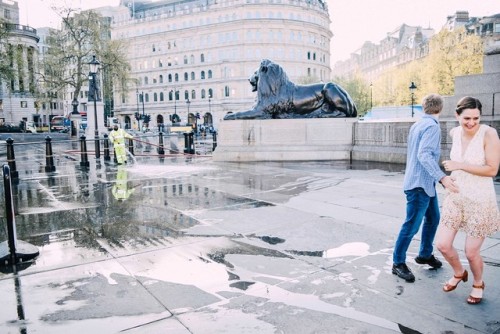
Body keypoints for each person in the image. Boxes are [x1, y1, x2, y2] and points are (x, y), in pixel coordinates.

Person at [436, 96, 500, 305]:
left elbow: (492, 169)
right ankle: (458, 272)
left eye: (476, 118)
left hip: (480, 200)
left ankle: (478, 283)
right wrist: (446, 181)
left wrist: (460, 165)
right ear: (457, 115)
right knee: (443, 246)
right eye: (467, 119)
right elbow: (451, 166)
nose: (471, 123)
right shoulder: (454, 133)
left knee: (471, 252)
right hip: (455, 197)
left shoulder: (489, 134)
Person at [392, 93, 459, 283]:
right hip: (419, 185)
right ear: (441, 108)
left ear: (424, 107)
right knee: (412, 224)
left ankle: (425, 254)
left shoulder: (418, 124)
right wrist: (442, 178)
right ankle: (397, 263)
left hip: (423, 184)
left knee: (433, 218)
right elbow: (424, 155)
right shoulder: (432, 127)